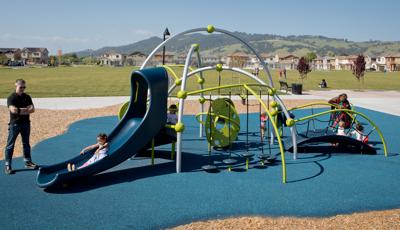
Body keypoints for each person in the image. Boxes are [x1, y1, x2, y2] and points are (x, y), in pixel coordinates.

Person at [4, 79, 38, 175]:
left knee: (26, 144)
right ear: (16, 86)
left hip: (26, 123)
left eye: (24, 87)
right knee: (10, 145)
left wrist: (20, 110)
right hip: (15, 124)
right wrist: (25, 110)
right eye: (21, 87)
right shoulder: (11, 97)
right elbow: (13, 110)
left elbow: (32, 109)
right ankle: (8, 165)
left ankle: (28, 162)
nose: (22, 89)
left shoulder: (27, 97)